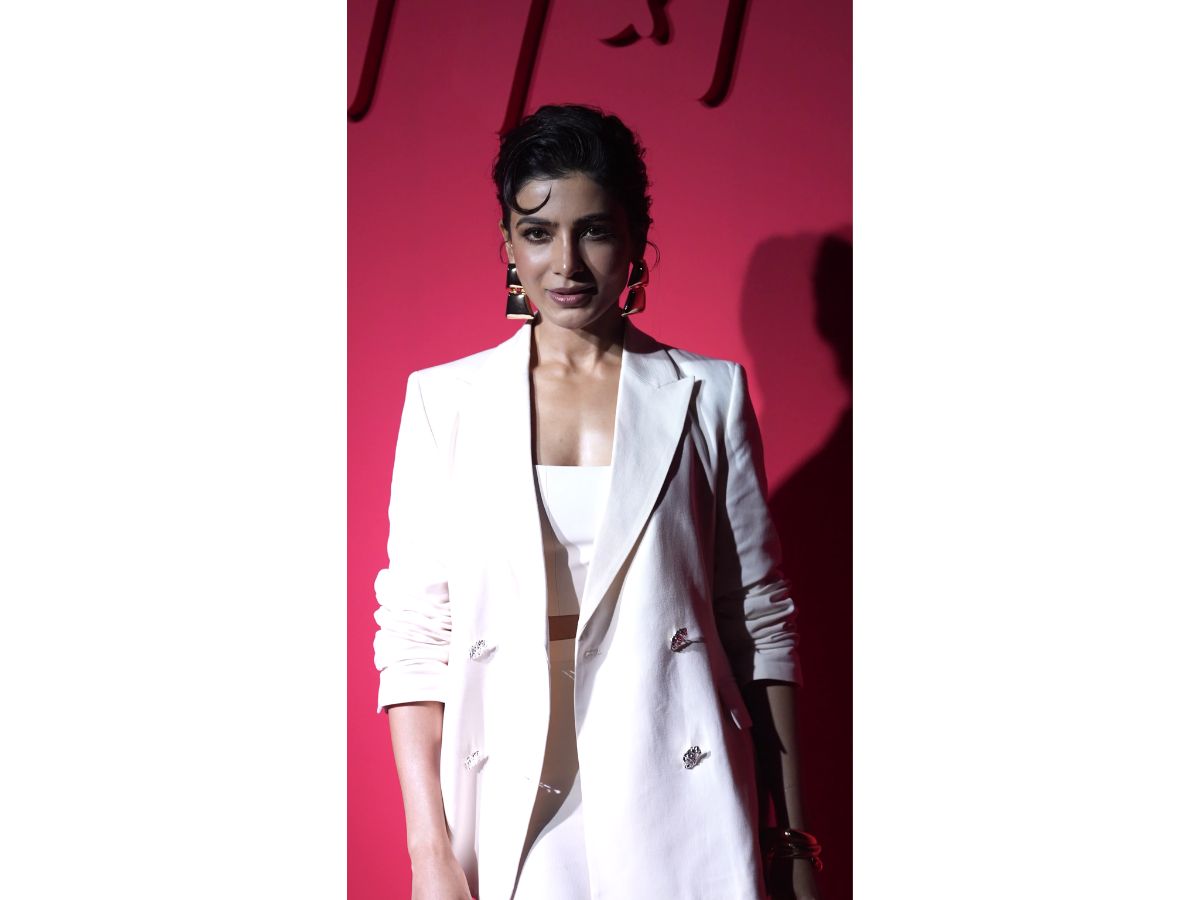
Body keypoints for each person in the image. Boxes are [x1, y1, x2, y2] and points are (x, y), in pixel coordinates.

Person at [374, 104, 822, 900]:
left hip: (676, 786)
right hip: (512, 795)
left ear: (636, 238)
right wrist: (428, 851)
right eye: (538, 232)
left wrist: (791, 841)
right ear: (508, 243)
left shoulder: (708, 394)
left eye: (595, 231)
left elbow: (757, 619)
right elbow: (415, 632)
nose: (566, 263)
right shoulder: (446, 402)